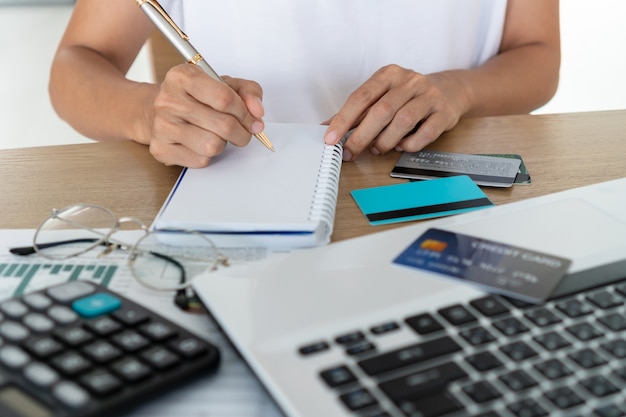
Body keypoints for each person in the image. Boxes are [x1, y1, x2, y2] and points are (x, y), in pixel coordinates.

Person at [49, 0, 560, 167]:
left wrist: (460, 89)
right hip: (239, 191)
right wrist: (146, 112)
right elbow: (77, 62)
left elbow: (537, 54)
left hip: (440, 188)